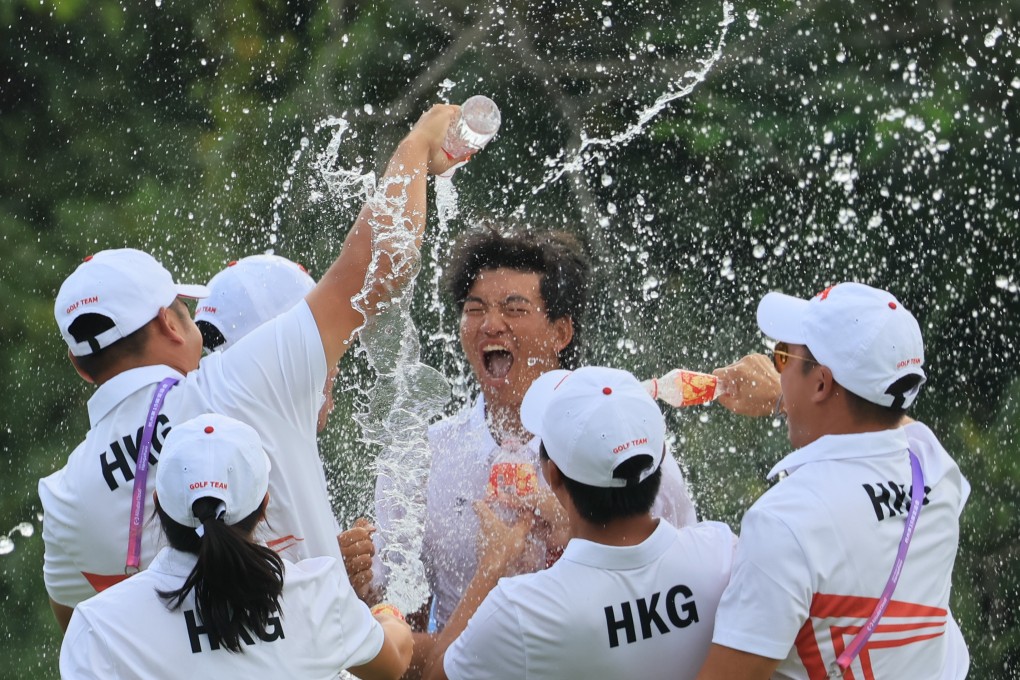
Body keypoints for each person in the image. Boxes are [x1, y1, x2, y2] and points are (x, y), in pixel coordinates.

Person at [39, 104, 465, 632]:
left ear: (82, 368)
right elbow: (378, 266)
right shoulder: (237, 385)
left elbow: (87, 635)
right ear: (170, 325)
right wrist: (418, 147)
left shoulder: (61, 500)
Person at [369, 228, 699, 633]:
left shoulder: (631, 448)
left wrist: (578, 534)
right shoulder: (420, 460)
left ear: (561, 332)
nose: (491, 324)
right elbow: (402, 626)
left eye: (514, 309)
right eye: (475, 309)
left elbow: (683, 588)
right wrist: (360, 588)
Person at [697, 282, 970, 679]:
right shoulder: (936, 471)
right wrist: (788, 393)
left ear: (823, 384)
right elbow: (889, 421)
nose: (779, 368)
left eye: (782, 357)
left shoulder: (785, 522)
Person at [419, 366, 735, 680]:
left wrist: (490, 567)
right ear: (661, 455)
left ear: (550, 474)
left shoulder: (523, 611)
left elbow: (435, 675)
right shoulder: (721, 555)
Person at [59, 413, 412, 679]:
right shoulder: (316, 592)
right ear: (264, 506)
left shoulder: (99, 629)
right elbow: (393, 661)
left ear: (158, 504)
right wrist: (387, 614)